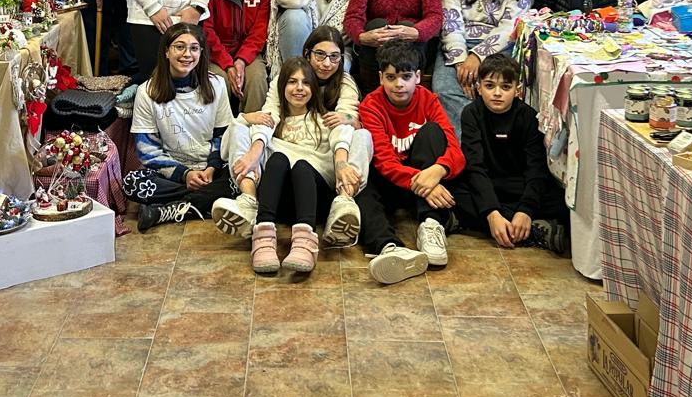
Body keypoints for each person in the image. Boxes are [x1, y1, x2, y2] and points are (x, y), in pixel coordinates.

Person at [220, 25, 365, 248]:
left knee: (359, 135)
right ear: (307, 54)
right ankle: (248, 200)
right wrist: (252, 144)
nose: (327, 63)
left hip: (319, 172)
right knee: (246, 130)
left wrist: (343, 153)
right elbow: (269, 116)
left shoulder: (339, 91)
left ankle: (344, 200)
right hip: (277, 171)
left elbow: (346, 121)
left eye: (335, 57)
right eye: (320, 55)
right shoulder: (284, 79)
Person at [233, 58, 368, 275]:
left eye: (306, 83)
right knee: (277, 159)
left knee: (302, 166)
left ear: (313, 89)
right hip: (279, 201)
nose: (299, 88)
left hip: (315, 201)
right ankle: (263, 235)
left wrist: (342, 161)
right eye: (292, 82)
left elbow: (349, 132)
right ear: (281, 87)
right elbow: (234, 134)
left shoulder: (324, 119)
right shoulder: (271, 122)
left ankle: (306, 241)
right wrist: (245, 116)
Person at [357, 41, 466, 285]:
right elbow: (384, 162)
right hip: (392, 181)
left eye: (406, 76)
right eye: (391, 77)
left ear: (417, 76)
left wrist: (437, 171)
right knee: (362, 188)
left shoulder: (428, 99)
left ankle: (431, 224)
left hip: (424, 180)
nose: (399, 84)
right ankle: (390, 248)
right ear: (380, 78)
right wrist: (425, 182)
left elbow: (455, 151)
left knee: (432, 132)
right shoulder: (371, 105)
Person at [122, 23, 237, 231]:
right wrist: (185, 174)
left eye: (194, 48)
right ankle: (205, 202)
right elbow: (147, 151)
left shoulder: (217, 85)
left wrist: (210, 168)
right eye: (179, 47)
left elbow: (224, 136)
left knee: (243, 180)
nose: (187, 54)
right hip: (171, 172)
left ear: (201, 52)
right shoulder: (146, 92)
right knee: (132, 183)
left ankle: (169, 210)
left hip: (211, 170)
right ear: (166, 51)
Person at [458, 54, 569, 254]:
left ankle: (488, 223)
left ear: (517, 90)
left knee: (561, 199)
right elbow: (474, 167)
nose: (497, 93)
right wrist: (492, 213)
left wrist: (525, 210)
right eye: (490, 86)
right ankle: (533, 231)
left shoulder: (528, 116)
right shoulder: (471, 114)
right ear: (479, 88)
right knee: (452, 191)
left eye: (505, 87)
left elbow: (535, 169)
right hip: (487, 184)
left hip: (517, 184)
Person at [435, 0, 533, 128]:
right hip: (458, 46)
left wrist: (477, 56)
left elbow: (511, 25)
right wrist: (462, 61)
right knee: (445, 89)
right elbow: (450, 21)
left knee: (496, 89)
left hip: (501, 47)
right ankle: (468, 149)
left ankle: (489, 147)